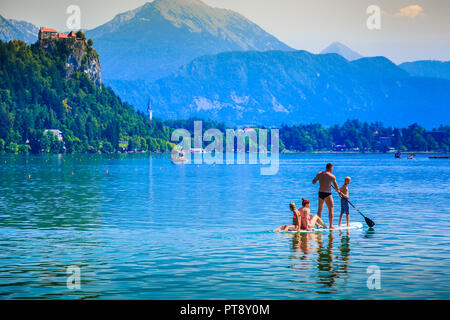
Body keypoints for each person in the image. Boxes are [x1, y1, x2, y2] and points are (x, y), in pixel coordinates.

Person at [312, 163, 341, 229]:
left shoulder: (320, 173)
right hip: (327, 193)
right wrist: (339, 193)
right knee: (331, 208)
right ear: (331, 168)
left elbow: (313, 181)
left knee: (320, 209)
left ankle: (319, 225)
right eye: (332, 168)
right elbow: (336, 188)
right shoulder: (332, 176)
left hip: (320, 192)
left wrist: (319, 179)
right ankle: (331, 225)